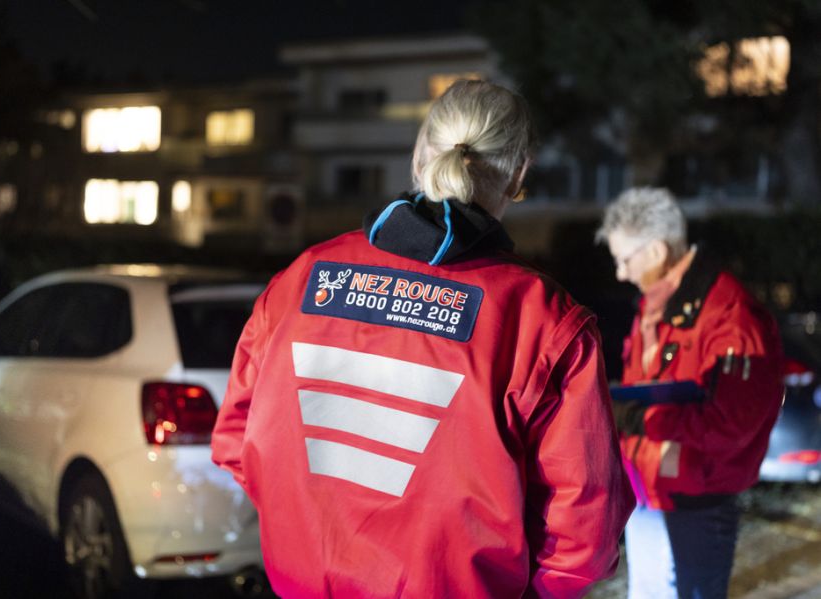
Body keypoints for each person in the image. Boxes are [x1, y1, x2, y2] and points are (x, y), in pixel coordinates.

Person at [212, 80, 634, 598]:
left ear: (418, 154)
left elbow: (235, 443)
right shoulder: (543, 321)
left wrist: (307, 531)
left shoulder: (299, 281)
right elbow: (585, 525)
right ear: (519, 174)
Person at [596, 187, 784, 599]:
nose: (620, 274)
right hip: (648, 490)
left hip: (696, 499)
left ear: (657, 251)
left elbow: (731, 424)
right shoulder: (658, 304)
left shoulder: (729, 315)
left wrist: (637, 418)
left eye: (624, 260)